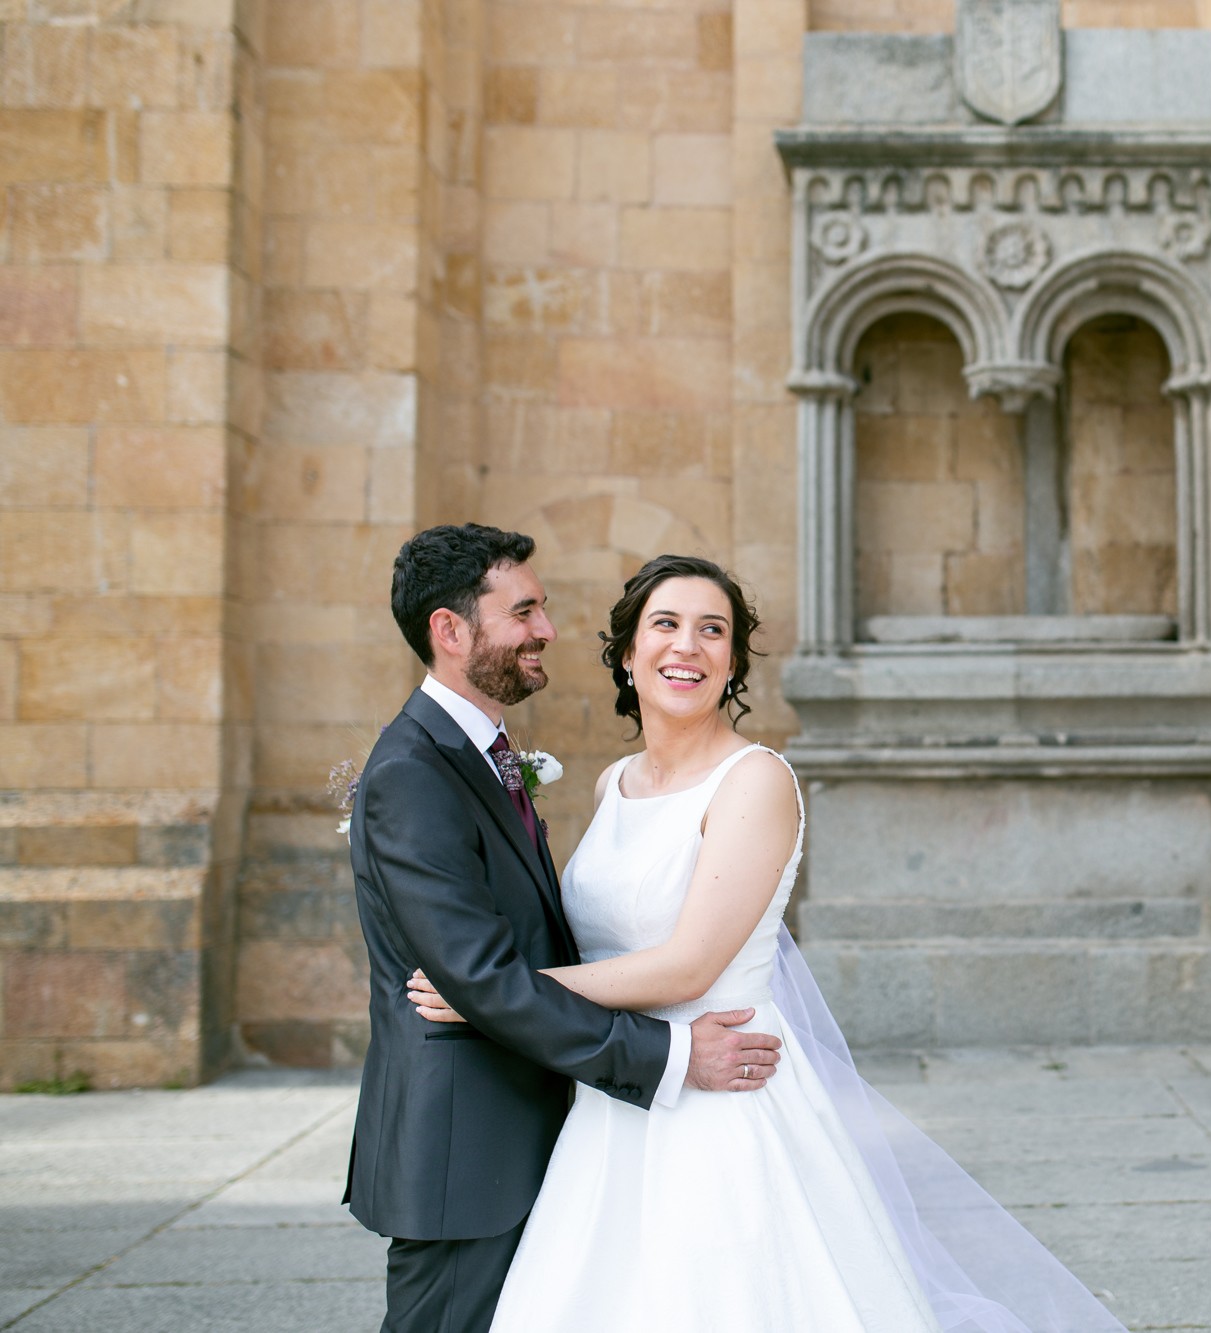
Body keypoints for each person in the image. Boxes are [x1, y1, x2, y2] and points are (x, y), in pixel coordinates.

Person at [405, 553, 1128, 1333]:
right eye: (666, 625)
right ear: (625, 653)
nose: (688, 646)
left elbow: (691, 963)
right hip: (618, 1099)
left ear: (734, 663)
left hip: (726, 1097)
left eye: (713, 631)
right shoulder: (612, 784)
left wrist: (495, 989)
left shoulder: (756, 780)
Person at [345, 525, 783, 1333]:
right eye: (525, 611)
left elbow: (508, 975)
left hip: (579, 1123)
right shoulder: (414, 774)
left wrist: (487, 993)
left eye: (713, 629)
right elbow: (481, 976)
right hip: (468, 1151)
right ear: (450, 631)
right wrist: (675, 1053)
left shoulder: (486, 755)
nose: (546, 628)